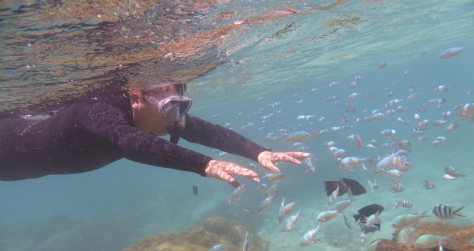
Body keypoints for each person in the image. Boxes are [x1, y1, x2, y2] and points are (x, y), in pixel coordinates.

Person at [0, 82, 309, 186]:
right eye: (169, 106)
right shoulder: (96, 112)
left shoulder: (155, 117)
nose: (176, 118)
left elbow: (207, 132)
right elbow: (132, 143)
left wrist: (259, 152)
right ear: (136, 99)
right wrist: (206, 165)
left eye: (181, 105)